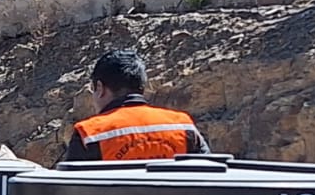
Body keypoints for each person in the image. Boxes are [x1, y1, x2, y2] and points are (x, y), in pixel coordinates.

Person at [61, 49, 210, 162]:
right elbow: (209, 177)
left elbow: (70, 190)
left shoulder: (89, 134)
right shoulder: (183, 126)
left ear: (100, 88)